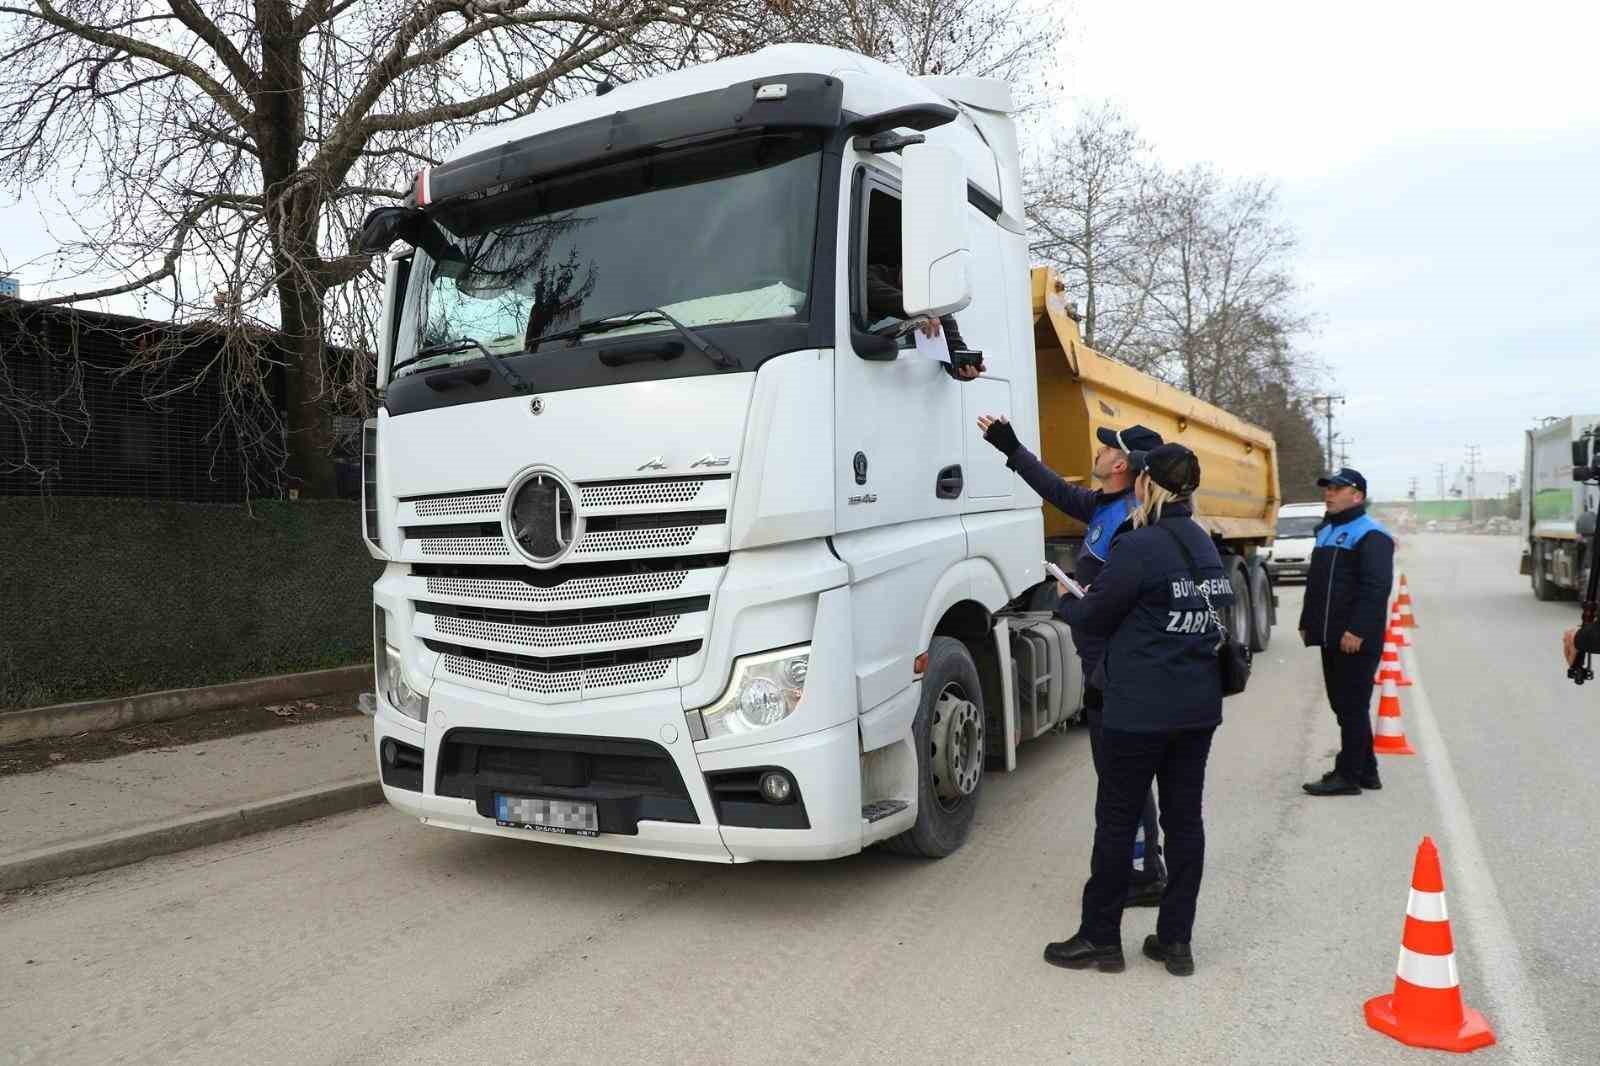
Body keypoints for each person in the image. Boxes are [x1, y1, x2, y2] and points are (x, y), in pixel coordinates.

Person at [1039, 443, 1229, 977]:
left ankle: (1100, 940)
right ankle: (1175, 942)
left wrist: (1067, 596)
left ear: (1144, 482)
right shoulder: (1203, 543)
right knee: (1185, 823)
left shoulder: (1140, 546)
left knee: (1117, 824)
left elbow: (1093, 615)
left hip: (1138, 710)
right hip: (1197, 710)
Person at [979, 415, 1169, 906]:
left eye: (1107, 448)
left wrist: (1074, 602)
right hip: (1103, 665)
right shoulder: (1107, 506)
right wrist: (1013, 449)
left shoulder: (1135, 519)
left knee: (1122, 779)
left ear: (1122, 464)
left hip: (1117, 670)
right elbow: (1057, 492)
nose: (1099, 452)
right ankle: (1144, 863)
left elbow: (1123, 598)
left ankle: (1144, 872)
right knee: (1119, 778)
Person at [1298, 467, 1395, 796]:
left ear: (1357, 496)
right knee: (1344, 705)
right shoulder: (1326, 531)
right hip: (1330, 636)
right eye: (1328, 488)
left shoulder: (1371, 534)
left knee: (1351, 706)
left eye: (1338, 489)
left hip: (1354, 638)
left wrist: (1358, 630)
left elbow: (1376, 588)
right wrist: (1306, 621)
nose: (1330, 493)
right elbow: (1318, 585)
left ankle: (1348, 775)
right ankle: (1368, 771)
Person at [865, 262, 983, 381]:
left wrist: (966, 369)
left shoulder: (936, 305)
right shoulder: (874, 273)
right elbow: (869, 288)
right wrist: (921, 311)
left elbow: (954, 349)